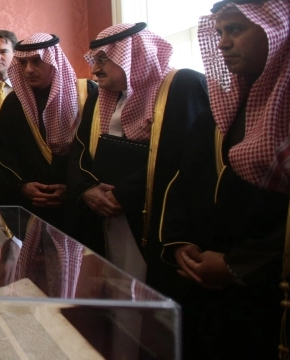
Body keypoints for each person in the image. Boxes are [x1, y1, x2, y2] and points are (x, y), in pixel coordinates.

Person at [161, 0, 290, 360]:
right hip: (219, 291)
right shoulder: (235, 103)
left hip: (279, 297)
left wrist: (239, 265)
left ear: (282, 30)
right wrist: (182, 243)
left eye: (236, 29)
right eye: (219, 31)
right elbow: (193, 178)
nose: (222, 42)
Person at [65, 23, 209, 289]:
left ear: (134, 55)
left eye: (104, 60)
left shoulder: (183, 85)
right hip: (105, 218)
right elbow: (80, 150)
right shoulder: (100, 98)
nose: (95, 69)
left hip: (154, 218)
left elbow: (187, 157)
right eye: (95, 60)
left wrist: (124, 195)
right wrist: (86, 190)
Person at [0, 33, 94, 229]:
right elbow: (2, 154)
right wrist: (22, 186)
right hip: (31, 208)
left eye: (37, 61)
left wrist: (73, 189)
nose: (28, 70)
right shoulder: (14, 102)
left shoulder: (87, 94)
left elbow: (96, 152)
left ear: (53, 61)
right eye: (22, 63)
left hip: (80, 206)